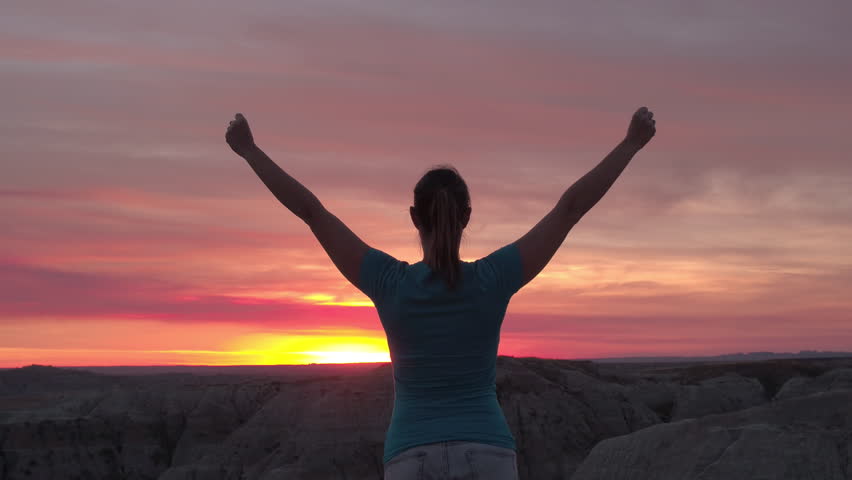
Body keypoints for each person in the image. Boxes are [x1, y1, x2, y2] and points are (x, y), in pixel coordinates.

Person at [225, 107, 656, 479]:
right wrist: (630, 144)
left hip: (411, 456)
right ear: (467, 216)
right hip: (488, 452)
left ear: (414, 217)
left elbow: (312, 211)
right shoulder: (494, 278)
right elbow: (570, 208)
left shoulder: (387, 281)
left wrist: (249, 151)